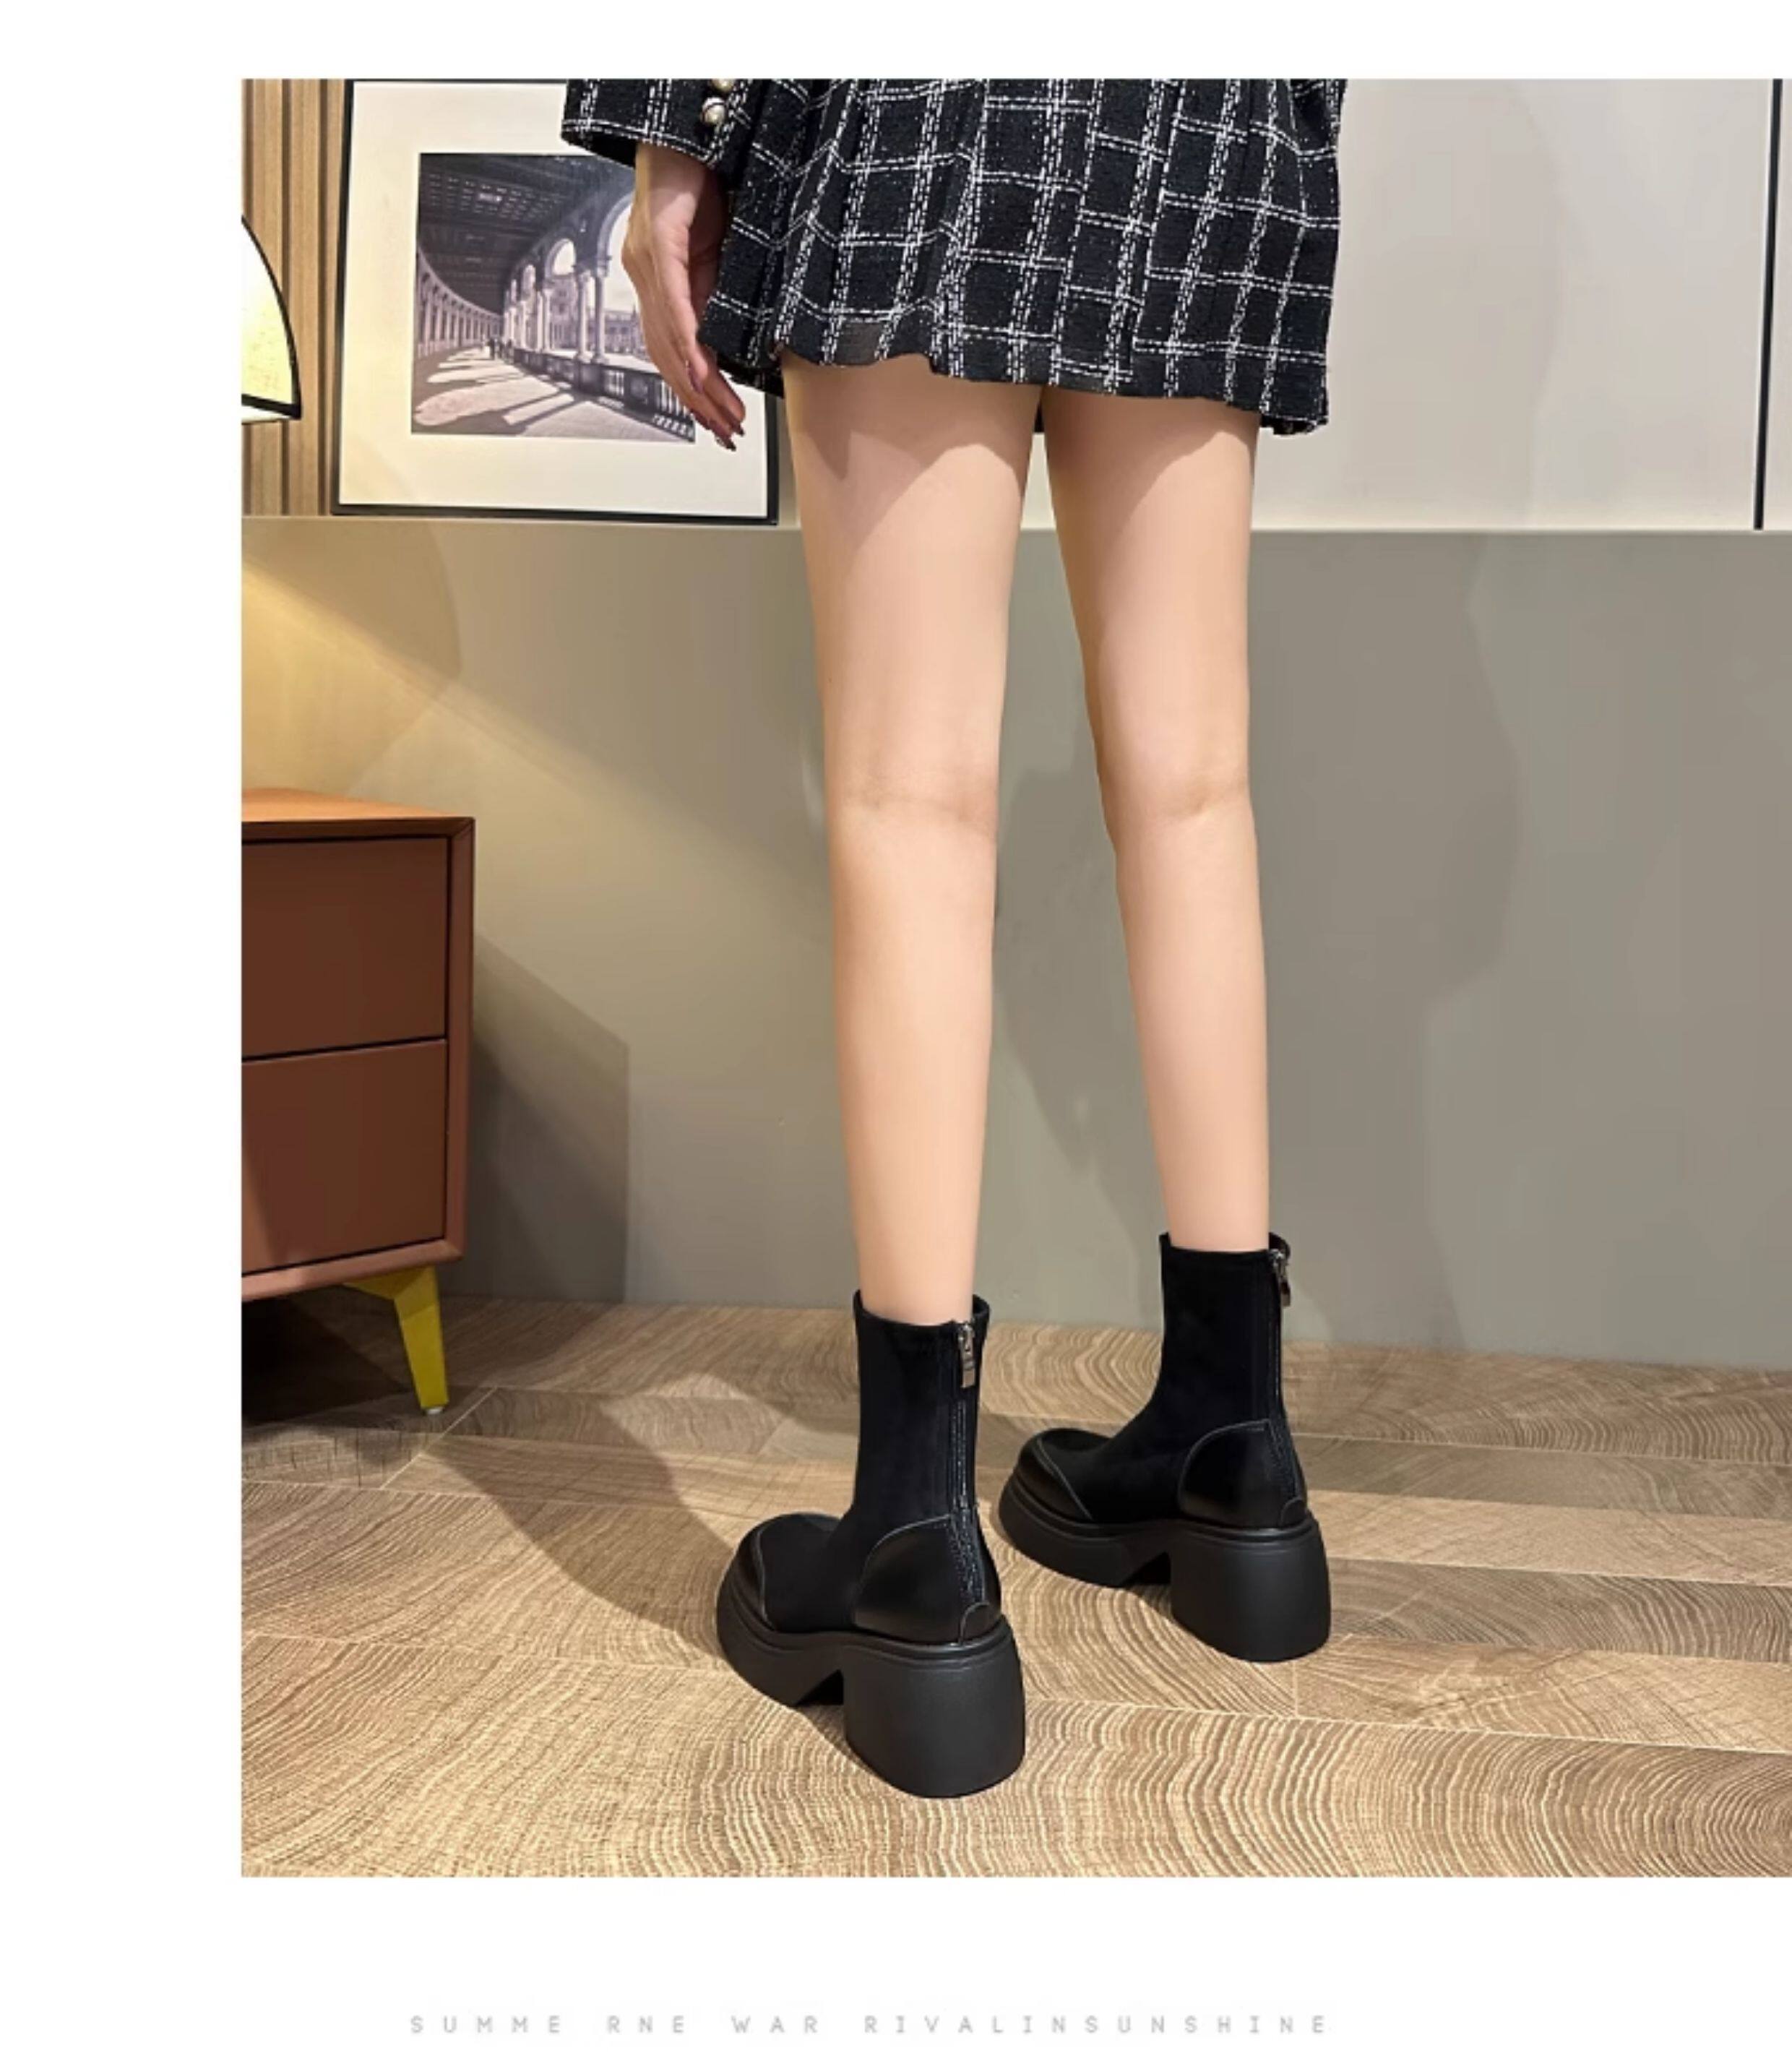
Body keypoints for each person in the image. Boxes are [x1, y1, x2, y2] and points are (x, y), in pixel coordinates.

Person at [562, 79, 1348, 1797]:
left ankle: (916, 1541)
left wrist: (671, 140)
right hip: (1211, 114)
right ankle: (1237, 1456)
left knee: (913, 800)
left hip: (930, 109)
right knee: (1193, 791)